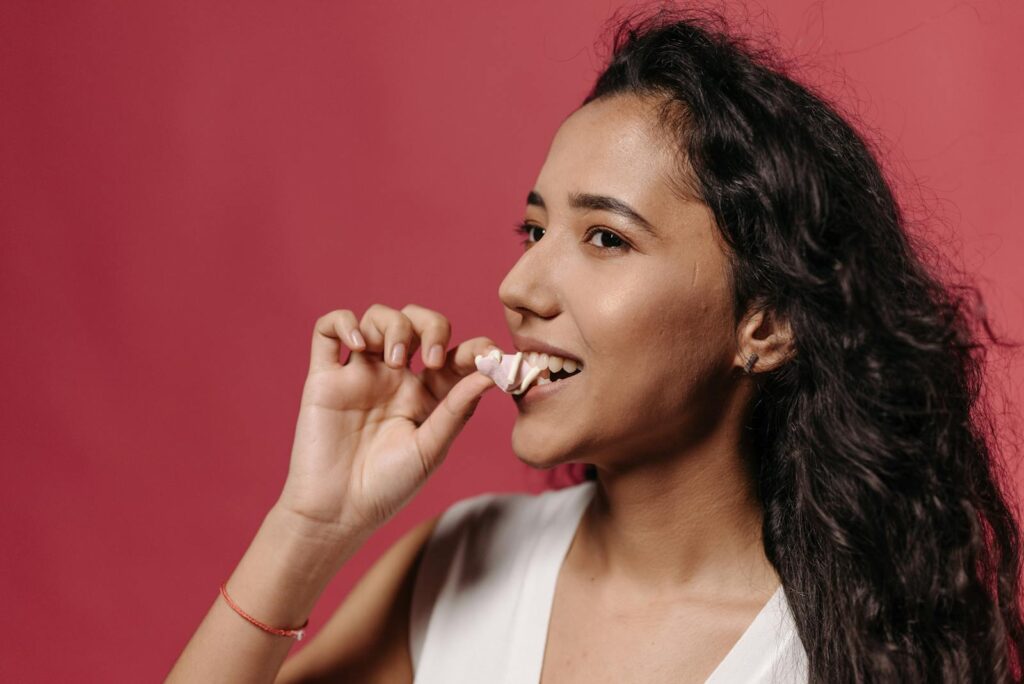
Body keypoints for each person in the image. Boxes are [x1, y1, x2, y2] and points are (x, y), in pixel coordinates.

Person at [167, 6, 1024, 683]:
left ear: (765, 323)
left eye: (606, 238)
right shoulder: (457, 567)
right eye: (533, 229)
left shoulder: (864, 646)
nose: (519, 288)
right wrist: (309, 527)